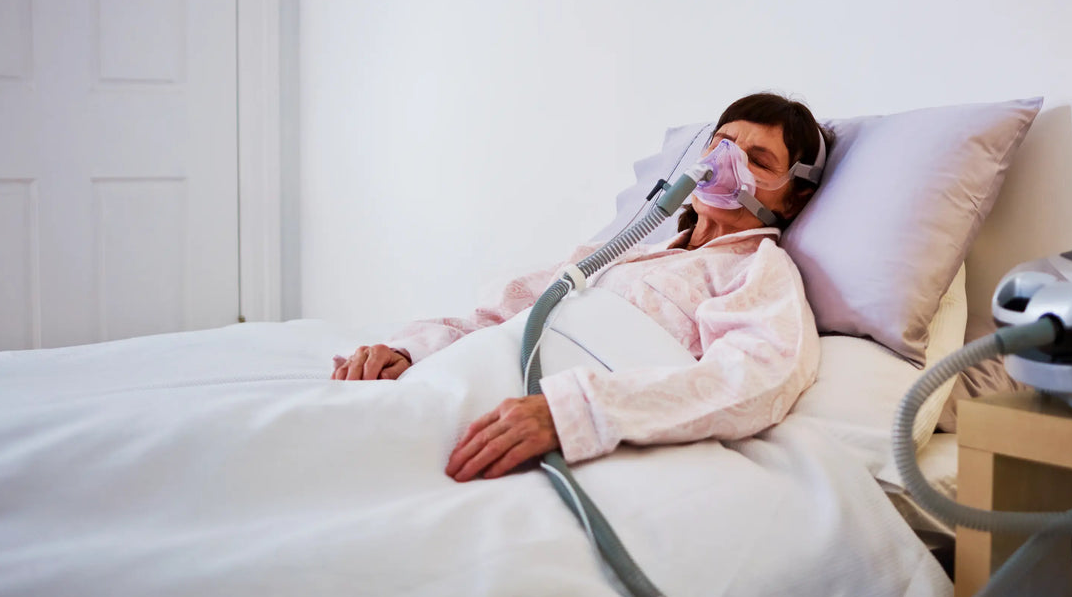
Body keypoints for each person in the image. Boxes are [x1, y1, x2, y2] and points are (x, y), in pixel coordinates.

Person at [332, 94, 834, 485]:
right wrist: (407, 350)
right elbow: (501, 316)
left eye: (758, 160)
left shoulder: (759, 271)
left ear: (792, 199)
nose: (726, 163)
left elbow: (752, 380)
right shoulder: (623, 251)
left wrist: (576, 412)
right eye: (720, 144)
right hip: (466, 378)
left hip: (527, 408)